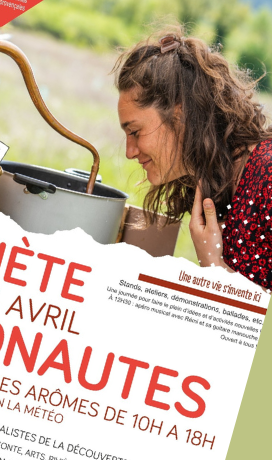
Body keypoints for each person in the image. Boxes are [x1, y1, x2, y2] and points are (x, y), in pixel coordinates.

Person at [115, 27, 272, 288]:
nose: (129, 151)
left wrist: (214, 267)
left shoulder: (267, 177)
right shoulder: (224, 181)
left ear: (180, 115)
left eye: (135, 132)